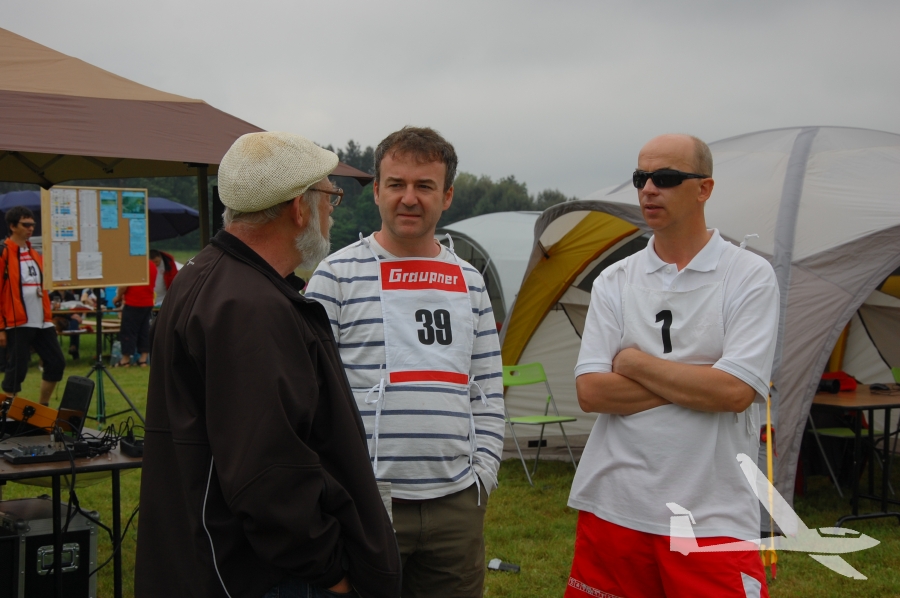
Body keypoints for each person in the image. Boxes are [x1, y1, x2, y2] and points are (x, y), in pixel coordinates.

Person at [135, 131, 401, 598]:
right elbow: (269, 475)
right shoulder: (251, 307)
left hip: (213, 559)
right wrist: (328, 570)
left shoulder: (207, 276)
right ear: (299, 208)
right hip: (263, 575)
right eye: (330, 196)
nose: (333, 210)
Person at [565, 134, 780, 597]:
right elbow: (592, 393)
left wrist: (632, 362)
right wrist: (699, 378)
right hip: (615, 507)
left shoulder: (749, 275)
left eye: (664, 178)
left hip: (713, 515)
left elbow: (733, 393)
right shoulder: (614, 280)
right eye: (641, 178)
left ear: (704, 188)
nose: (648, 189)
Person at [306, 126, 504, 598]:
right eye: (396, 184)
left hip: (456, 503)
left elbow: (488, 387)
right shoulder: (334, 276)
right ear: (376, 190)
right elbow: (309, 392)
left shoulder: (470, 281)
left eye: (424, 186)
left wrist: (483, 474)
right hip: (364, 501)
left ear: (447, 195)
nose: (409, 198)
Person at [0, 206, 65, 406]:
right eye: (25, 224)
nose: (30, 228)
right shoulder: (3, 252)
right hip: (17, 320)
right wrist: (1, 327)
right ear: (12, 226)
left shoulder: (34, 253)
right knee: (17, 368)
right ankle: (7, 413)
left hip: (42, 319)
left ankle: (42, 407)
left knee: (56, 362)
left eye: (32, 224)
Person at [111, 259, 157, 367]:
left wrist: (118, 297)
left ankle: (125, 360)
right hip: (148, 302)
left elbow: (124, 286)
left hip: (133, 302)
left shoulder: (132, 264)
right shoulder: (152, 265)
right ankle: (143, 359)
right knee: (144, 330)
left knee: (128, 331)